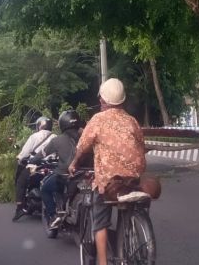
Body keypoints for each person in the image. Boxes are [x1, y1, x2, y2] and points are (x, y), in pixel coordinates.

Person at [69, 79, 146, 265]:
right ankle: (135, 227)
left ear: (103, 100)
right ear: (122, 100)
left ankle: (103, 262)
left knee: (100, 220)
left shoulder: (98, 120)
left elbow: (82, 147)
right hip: (132, 179)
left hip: (109, 182)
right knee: (134, 202)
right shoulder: (131, 120)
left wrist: (74, 163)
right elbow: (141, 145)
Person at [40, 110, 82, 230]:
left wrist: (32, 161)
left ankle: (53, 216)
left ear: (62, 124)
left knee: (45, 189)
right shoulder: (86, 136)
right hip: (87, 173)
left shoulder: (57, 140)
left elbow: (42, 154)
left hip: (66, 174)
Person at [12, 116, 55, 221]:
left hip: (35, 166)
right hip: (52, 166)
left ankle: (19, 208)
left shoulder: (34, 136)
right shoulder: (55, 136)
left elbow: (25, 152)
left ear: (39, 125)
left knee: (21, 182)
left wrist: (20, 157)